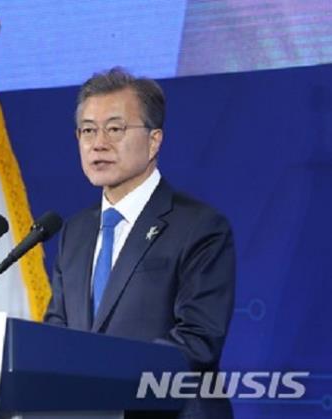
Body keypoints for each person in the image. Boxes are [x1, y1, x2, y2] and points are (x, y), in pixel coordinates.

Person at [44, 68, 236, 419]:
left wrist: (102, 379)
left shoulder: (200, 226)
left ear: (154, 141)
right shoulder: (75, 232)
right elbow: (56, 332)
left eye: (115, 129)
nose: (98, 143)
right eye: (88, 130)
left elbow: (197, 341)